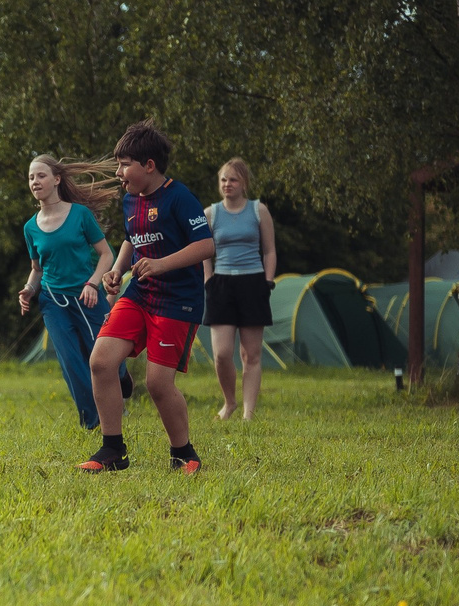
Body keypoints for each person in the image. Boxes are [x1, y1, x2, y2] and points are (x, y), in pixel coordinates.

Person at [80, 121, 214, 474]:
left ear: (149, 166)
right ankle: (112, 451)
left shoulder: (179, 197)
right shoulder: (130, 201)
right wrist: (118, 271)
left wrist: (160, 265)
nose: (119, 172)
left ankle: (184, 453)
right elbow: (131, 238)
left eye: (124, 164)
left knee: (157, 384)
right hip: (139, 293)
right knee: (101, 361)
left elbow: (205, 245)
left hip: (178, 299)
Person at [17, 153, 126, 433]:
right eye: (31, 177)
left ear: (56, 179)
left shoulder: (79, 214)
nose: (35, 181)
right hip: (52, 301)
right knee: (71, 361)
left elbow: (106, 254)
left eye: (40, 175)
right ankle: (92, 422)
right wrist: (29, 289)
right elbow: (37, 269)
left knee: (104, 356)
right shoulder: (31, 227)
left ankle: (122, 379)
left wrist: (92, 283)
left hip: (87, 296)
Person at [204, 157, 279, 421]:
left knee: (251, 354)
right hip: (221, 284)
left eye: (233, 180)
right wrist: (208, 277)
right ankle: (230, 402)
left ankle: (248, 412)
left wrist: (268, 280)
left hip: (253, 283)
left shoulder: (259, 210)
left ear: (244, 183)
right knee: (222, 354)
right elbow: (203, 251)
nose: (227, 184)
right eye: (223, 179)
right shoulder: (211, 213)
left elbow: (269, 250)